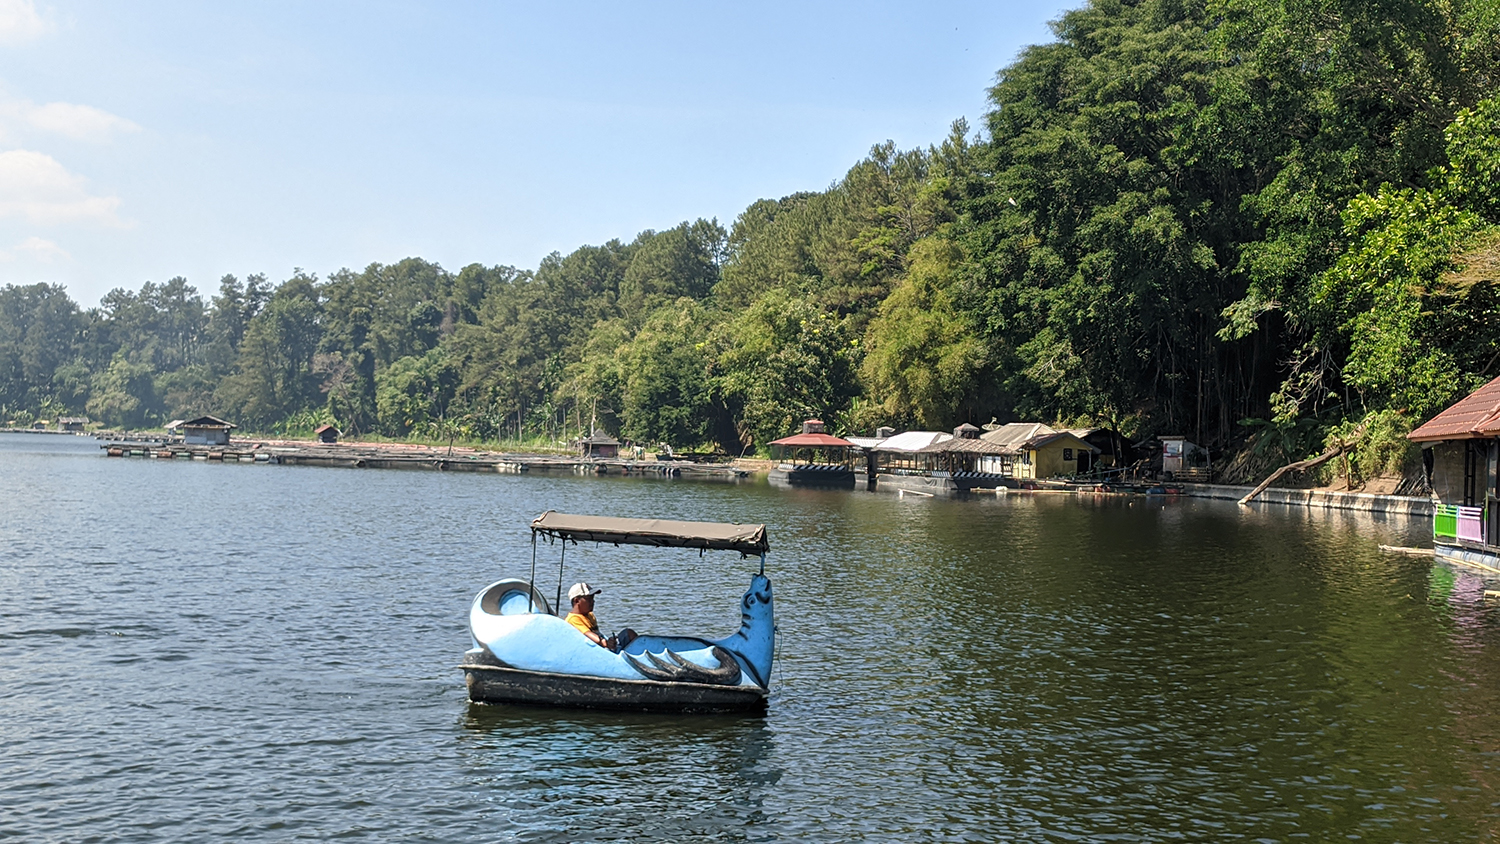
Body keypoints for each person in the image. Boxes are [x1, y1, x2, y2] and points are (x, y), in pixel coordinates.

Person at [565, 582, 629, 651]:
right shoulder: (573, 619)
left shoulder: (590, 615)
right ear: (577, 601)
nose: (593, 602)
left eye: (592, 598)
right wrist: (607, 643)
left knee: (628, 633)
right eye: (589, 599)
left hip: (602, 647)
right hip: (590, 651)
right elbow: (595, 639)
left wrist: (610, 641)